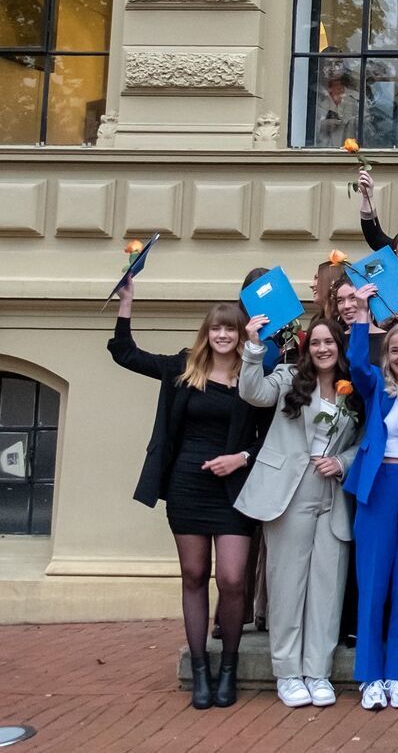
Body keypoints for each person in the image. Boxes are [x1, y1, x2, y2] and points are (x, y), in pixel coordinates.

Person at [110, 284, 268, 709]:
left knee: (233, 580)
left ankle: (229, 668)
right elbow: (126, 354)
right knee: (194, 576)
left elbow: (272, 434)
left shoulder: (253, 374)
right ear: (207, 333)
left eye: (230, 330)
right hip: (187, 485)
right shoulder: (183, 368)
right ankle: (201, 668)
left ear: (240, 335)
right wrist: (127, 303)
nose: (223, 336)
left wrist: (242, 457)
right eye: (216, 329)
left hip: (234, 488)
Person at [235, 317, 360, 709]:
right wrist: (253, 346)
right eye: (317, 343)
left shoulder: (353, 389)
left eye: (330, 342)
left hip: (333, 491)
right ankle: (288, 672)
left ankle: (317, 671)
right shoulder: (290, 377)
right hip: (289, 491)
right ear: (308, 349)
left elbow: (366, 441)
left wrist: (342, 462)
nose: (324, 349)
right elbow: (253, 392)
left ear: (340, 346)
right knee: (288, 584)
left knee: (327, 583)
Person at [344, 306, 398, 711]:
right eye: (395, 350)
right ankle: (369, 677)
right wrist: (362, 319)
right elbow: (355, 363)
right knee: (373, 586)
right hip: (377, 488)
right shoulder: (376, 386)